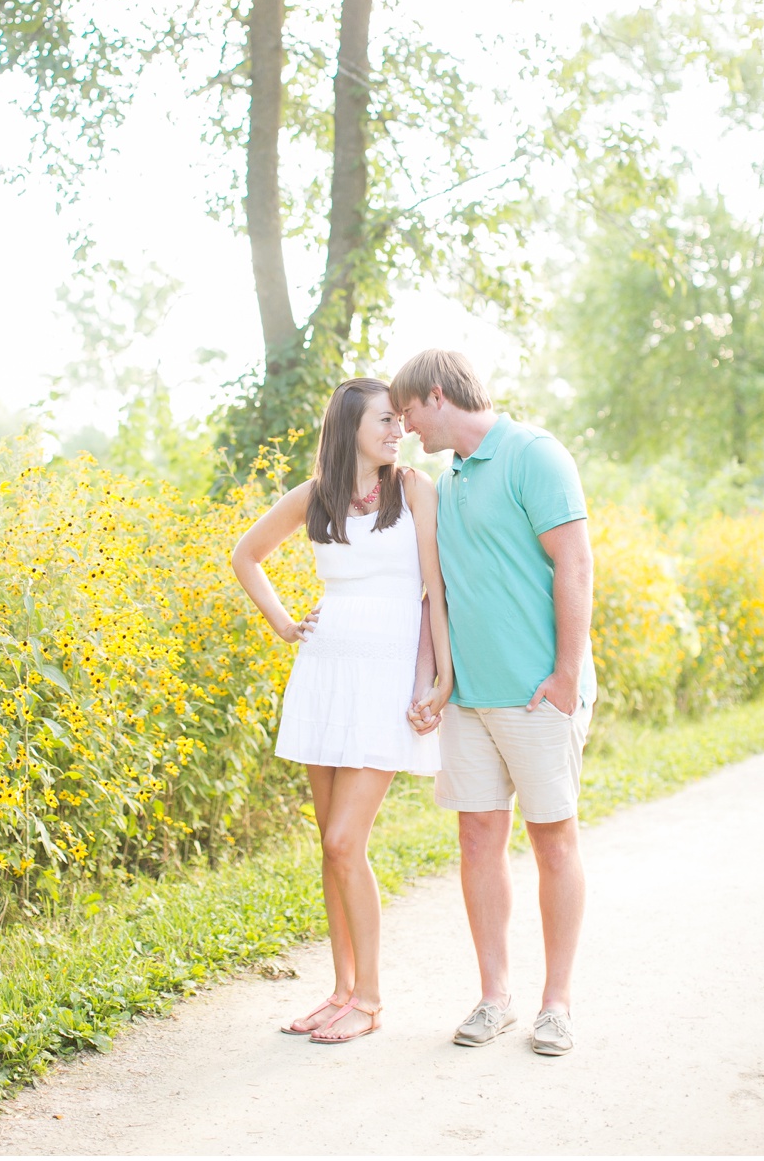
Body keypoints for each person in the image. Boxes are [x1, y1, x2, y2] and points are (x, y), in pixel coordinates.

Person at [231, 376, 452, 1044]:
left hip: (386, 680)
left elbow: (433, 592)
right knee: (329, 851)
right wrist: (283, 624)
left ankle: (373, 997)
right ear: (350, 423)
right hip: (325, 673)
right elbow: (246, 554)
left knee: (343, 840)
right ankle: (341, 989)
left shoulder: (412, 488)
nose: (398, 430)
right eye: (386, 420)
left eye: (399, 421)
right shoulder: (317, 495)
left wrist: (440, 676)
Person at [390, 348, 592, 1057]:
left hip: (538, 693)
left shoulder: (533, 453)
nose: (406, 426)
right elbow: (436, 592)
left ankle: (557, 1004)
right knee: (478, 836)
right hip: (468, 700)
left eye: (408, 411)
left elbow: (575, 561)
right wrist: (435, 681)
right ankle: (495, 995)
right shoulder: (447, 480)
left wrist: (566, 675)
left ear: (436, 395)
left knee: (551, 838)